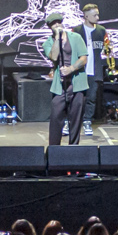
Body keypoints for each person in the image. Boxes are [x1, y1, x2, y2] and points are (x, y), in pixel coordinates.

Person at [42, 8, 91, 147]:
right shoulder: (48, 43)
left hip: (77, 83)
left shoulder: (75, 38)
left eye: (58, 22)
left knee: (75, 119)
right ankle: (54, 150)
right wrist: (57, 39)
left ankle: (73, 149)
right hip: (60, 86)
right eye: (53, 24)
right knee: (56, 117)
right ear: (50, 27)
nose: (57, 25)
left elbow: (84, 58)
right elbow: (54, 57)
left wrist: (71, 68)